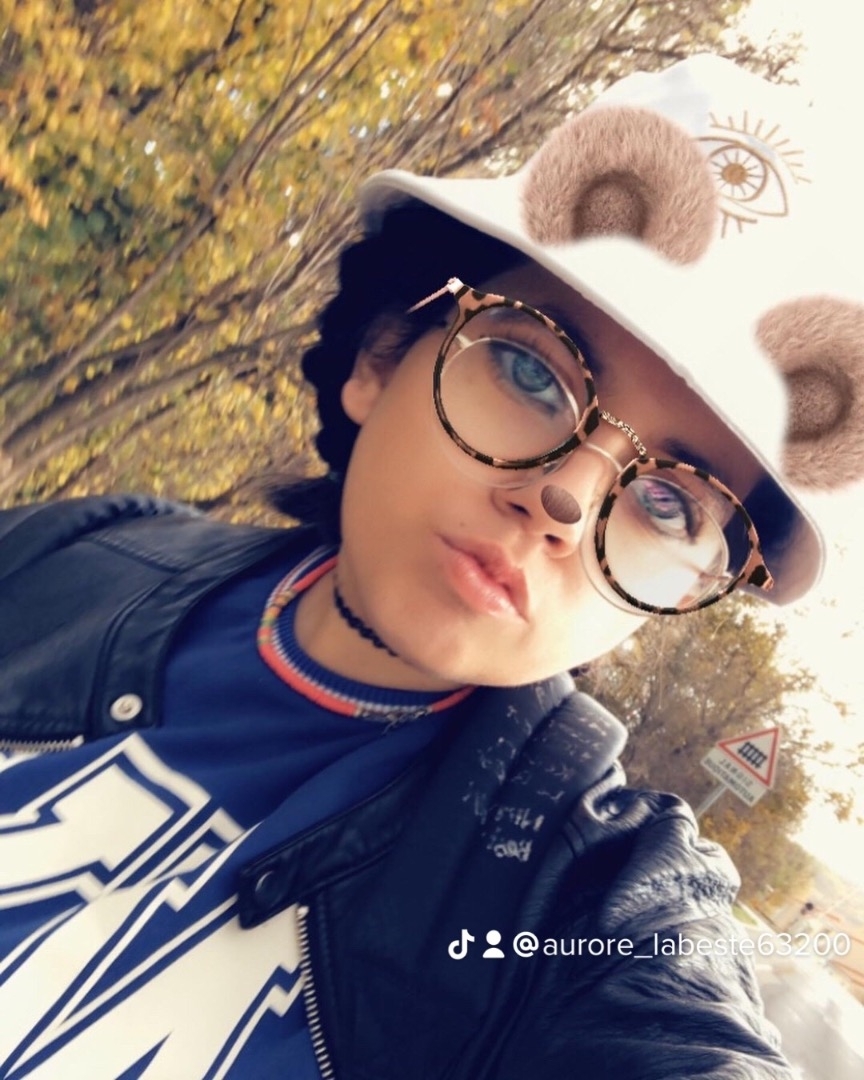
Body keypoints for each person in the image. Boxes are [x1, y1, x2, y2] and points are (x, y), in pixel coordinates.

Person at [0, 53, 860, 1079]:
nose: (564, 501)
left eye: (669, 502)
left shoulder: (581, 904)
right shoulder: (70, 558)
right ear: (381, 356)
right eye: (533, 372)